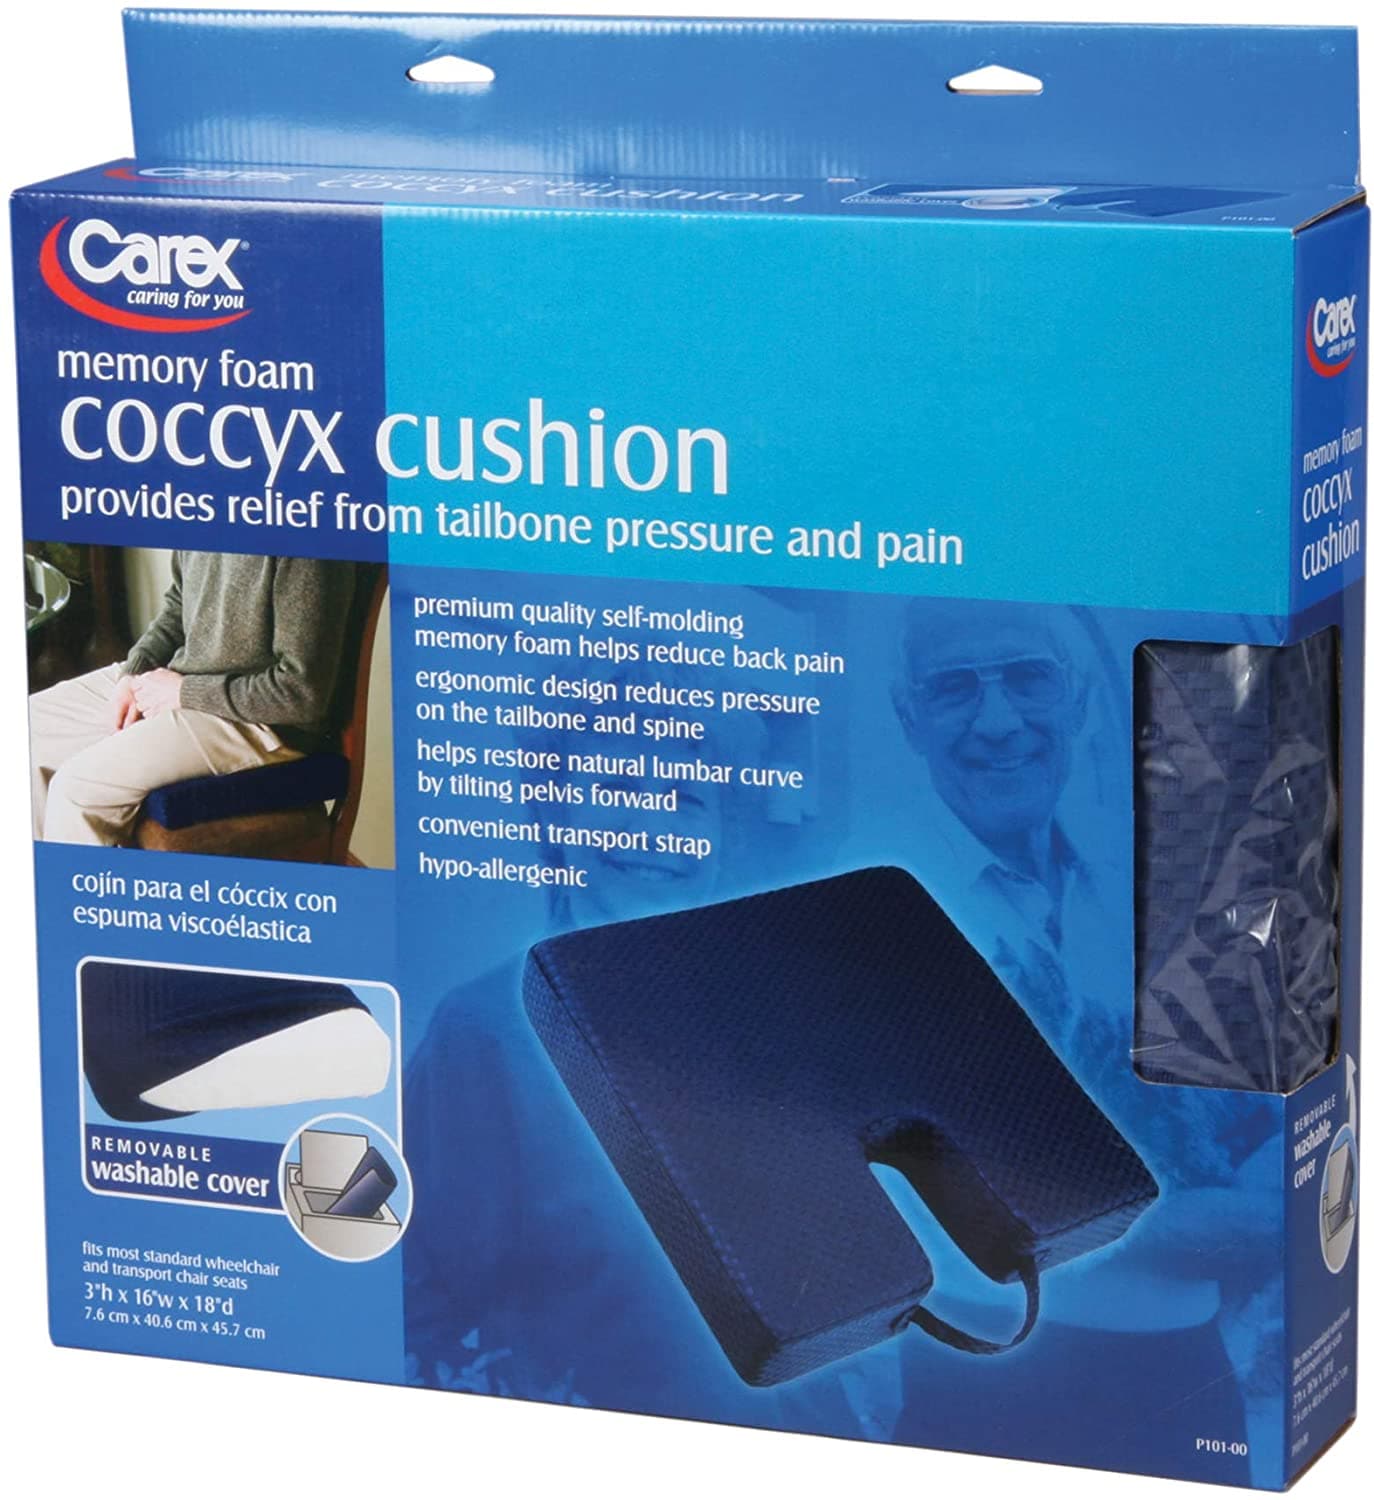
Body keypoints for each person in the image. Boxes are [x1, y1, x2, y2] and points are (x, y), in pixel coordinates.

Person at [888, 598, 1282, 1480]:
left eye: (1028, 678)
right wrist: (1224, 1213)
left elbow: (1262, 1121)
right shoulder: (884, 904)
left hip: (1187, 1374)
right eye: (954, 688)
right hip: (979, 1384)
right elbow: (981, 1196)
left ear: (1078, 701)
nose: (999, 721)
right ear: (908, 717)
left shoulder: (1152, 886)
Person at [30, 550, 357, 846]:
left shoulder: (307, 545)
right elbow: (178, 605)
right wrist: (135, 671)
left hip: (262, 720)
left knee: (77, 792)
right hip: (183, 681)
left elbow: (301, 694)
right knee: (29, 731)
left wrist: (183, 693)